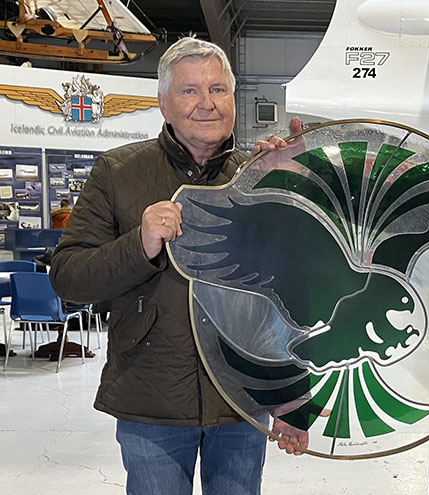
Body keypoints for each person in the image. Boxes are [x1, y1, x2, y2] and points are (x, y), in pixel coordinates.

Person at [50, 36, 304, 495]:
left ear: (233, 99)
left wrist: (289, 395)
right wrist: (139, 244)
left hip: (241, 399)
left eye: (218, 89)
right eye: (190, 90)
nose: (207, 103)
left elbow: (288, 294)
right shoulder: (118, 172)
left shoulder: (260, 176)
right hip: (152, 401)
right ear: (163, 103)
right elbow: (68, 276)